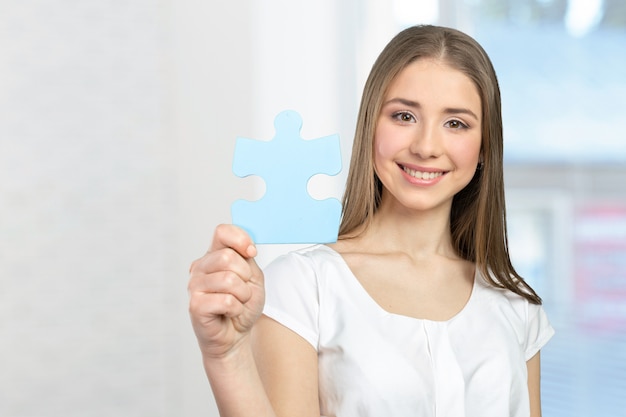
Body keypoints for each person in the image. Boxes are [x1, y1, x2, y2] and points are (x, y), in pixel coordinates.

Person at [188, 24, 555, 417]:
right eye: (403, 115)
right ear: (370, 125)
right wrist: (226, 357)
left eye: (456, 123)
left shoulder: (515, 302)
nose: (426, 147)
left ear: (484, 147)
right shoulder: (302, 287)